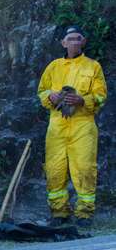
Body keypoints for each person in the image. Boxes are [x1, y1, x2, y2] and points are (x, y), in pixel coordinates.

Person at [37, 26, 107, 228]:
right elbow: (41, 91)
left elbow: (101, 96)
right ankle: (59, 213)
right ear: (63, 43)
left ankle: (84, 214)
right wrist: (50, 96)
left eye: (78, 39)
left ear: (83, 42)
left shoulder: (93, 67)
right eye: (70, 39)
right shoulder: (54, 66)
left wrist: (82, 100)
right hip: (57, 125)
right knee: (54, 170)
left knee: (84, 169)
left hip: (83, 125)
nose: (74, 42)